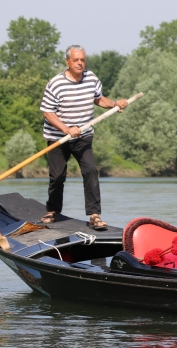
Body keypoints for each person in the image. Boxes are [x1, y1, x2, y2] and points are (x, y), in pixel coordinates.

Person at [39, 45, 128, 230]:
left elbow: (99, 99)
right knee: (57, 176)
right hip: (58, 137)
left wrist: (114, 104)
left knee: (90, 171)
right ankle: (53, 210)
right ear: (67, 62)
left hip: (83, 136)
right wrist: (66, 128)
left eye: (82, 60)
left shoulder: (91, 78)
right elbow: (47, 112)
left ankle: (94, 215)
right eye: (76, 60)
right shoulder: (56, 83)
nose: (80, 63)